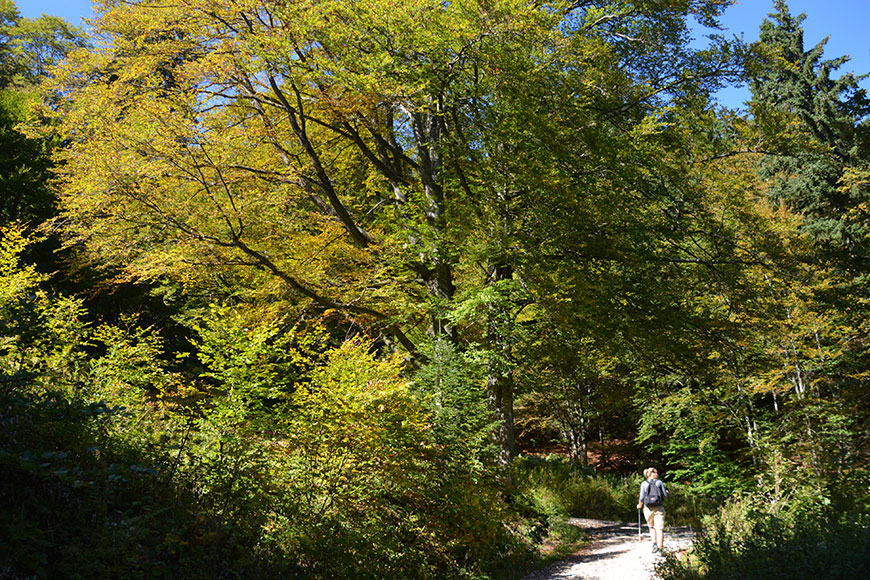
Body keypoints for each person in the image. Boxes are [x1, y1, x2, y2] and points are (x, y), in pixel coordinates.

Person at [637, 466, 669, 554]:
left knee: (651, 527)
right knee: (659, 529)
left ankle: (654, 544)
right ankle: (660, 549)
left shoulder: (644, 483)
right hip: (659, 507)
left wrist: (639, 505)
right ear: (653, 474)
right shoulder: (659, 482)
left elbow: (642, 497)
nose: (657, 474)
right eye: (656, 473)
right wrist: (667, 493)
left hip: (648, 508)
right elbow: (666, 495)